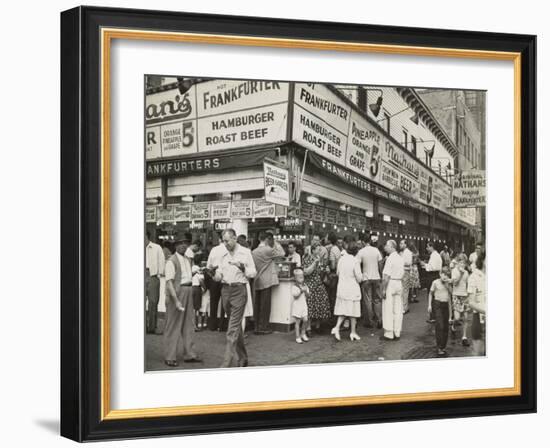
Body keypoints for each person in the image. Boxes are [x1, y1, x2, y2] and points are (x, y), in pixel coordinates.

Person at [213, 229, 257, 368]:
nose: (225, 244)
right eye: (223, 241)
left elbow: (253, 273)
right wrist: (215, 275)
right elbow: (219, 272)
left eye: (227, 241)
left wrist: (243, 268)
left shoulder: (245, 252)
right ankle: (243, 357)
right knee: (236, 325)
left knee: (231, 329)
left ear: (235, 238)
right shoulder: (222, 253)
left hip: (239, 289)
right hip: (225, 289)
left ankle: (226, 363)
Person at [163, 233, 201, 367]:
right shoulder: (171, 261)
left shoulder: (188, 259)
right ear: (175, 245)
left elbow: (186, 275)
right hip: (177, 293)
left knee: (189, 324)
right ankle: (170, 356)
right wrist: (176, 300)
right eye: (180, 243)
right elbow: (169, 283)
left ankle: (190, 354)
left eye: (185, 242)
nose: (183, 245)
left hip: (188, 290)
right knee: (173, 325)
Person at [252, 231, 285, 334]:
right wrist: (276, 243)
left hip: (257, 280)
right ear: (267, 239)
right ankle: (264, 327)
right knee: (265, 306)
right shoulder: (268, 250)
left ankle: (256, 326)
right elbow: (282, 254)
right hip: (266, 280)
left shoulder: (254, 251)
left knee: (257, 305)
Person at [331, 241, 362, 341]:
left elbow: (338, 273)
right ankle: (341, 329)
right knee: (352, 311)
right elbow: (359, 278)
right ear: (356, 251)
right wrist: (363, 276)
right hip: (352, 289)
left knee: (344, 310)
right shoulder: (355, 261)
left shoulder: (341, 259)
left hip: (342, 288)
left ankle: (351, 332)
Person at [302, 244, 331, 333]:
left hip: (318, 283)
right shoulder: (307, 259)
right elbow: (306, 272)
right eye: (318, 250)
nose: (320, 251)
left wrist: (326, 270)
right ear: (313, 250)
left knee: (320, 304)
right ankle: (308, 327)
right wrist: (315, 263)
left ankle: (318, 325)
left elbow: (320, 271)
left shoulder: (319, 258)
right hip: (310, 284)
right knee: (310, 306)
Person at [380, 240, 405, 341]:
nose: (385, 247)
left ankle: (389, 333)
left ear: (392, 247)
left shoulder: (390, 259)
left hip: (391, 283)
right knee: (398, 309)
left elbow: (386, 276)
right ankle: (397, 331)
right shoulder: (400, 258)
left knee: (388, 308)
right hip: (399, 283)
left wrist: (383, 290)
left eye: (386, 245)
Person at [356, 235, 383, 329]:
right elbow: (380, 263)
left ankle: (369, 321)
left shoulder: (361, 252)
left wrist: (360, 275)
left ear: (363, 242)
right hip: (376, 278)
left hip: (366, 278)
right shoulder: (376, 250)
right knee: (377, 300)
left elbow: (356, 264)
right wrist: (381, 274)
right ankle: (379, 320)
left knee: (367, 300)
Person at [428, 267, 453, 357]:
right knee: (440, 325)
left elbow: (450, 297)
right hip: (437, 304)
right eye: (443, 274)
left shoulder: (448, 284)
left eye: (447, 275)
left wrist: (451, 315)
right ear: (440, 274)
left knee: (445, 327)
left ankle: (443, 346)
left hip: (445, 305)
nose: (445, 277)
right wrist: (429, 305)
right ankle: (439, 347)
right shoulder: (435, 282)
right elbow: (430, 294)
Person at [145, 231, 165, 334]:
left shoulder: (157, 248)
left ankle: (152, 327)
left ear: (146, 236)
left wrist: (159, 274)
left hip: (152, 275)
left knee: (153, 302)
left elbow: (161, 261)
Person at [206, 235, 227, 331]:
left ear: (219, 240)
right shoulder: (228, 250)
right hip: (225, 278)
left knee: (213, 302)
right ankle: (222, 325)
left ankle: (212, 325)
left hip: (214, 278)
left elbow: (208, 266)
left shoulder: (214, 250)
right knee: (224, 303)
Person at [467, 250, 486, 356]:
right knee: (479, 353)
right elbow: (471, 302)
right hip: (479, 319)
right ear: (482, 260)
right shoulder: (474, 277)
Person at [451, 254, 471, 346]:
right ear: (457, 262)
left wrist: (469, 295)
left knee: (466, 318)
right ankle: (453, 326)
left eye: (464, 262)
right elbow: (455, 283)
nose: (462, 264)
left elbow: (467, 284)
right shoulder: (454, 271)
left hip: (464, 296)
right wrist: (461, 274)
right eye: (460, 262)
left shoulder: (466, 272)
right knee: (457, 318)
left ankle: (464, 337)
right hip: (456, 295)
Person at [421, 242, 443, 323]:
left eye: (427, 247)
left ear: (431, 247)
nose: (426, 249)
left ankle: (433, 316)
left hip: (432, 276)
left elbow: (432, 267)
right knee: (434, 295)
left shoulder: (434, 255)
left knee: (431, 295)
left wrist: (425, 264)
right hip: (435, 275)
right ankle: (434, 315)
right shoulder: (436, 255)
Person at [291, 269, 310, 344]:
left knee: (305, 320)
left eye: (302, 277)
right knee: (297, 322)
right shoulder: (294, 287)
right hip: (297, 306)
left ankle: (303, 333)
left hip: (304, 305)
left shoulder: (305, 285)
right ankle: (297, 336)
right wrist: (301, 291)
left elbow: (308, 295)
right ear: (295, 278)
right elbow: (295, 297)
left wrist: (305, 291)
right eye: (300, 277)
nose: (302, 279)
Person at [326, 232, 342, 313]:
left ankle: (332, 316)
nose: (325, 239)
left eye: (326, 237)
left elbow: (332, 266)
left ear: (329, 240)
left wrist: (328, 265)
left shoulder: (332, 250)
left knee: (332, 296)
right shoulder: (337, 248)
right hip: (338, 274)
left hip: (333, 275)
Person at [399, 240, 413, 314]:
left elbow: (409, 263)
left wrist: (400, 260)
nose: (400, 245)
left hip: (406, 271)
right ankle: (403, 306)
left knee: (405, 290)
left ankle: (405, 307)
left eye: (401, 243)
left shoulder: (408, 252)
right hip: (402, 271)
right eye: (400, 243)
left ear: (405, 244)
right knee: (402, 289)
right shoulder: (403, 252)